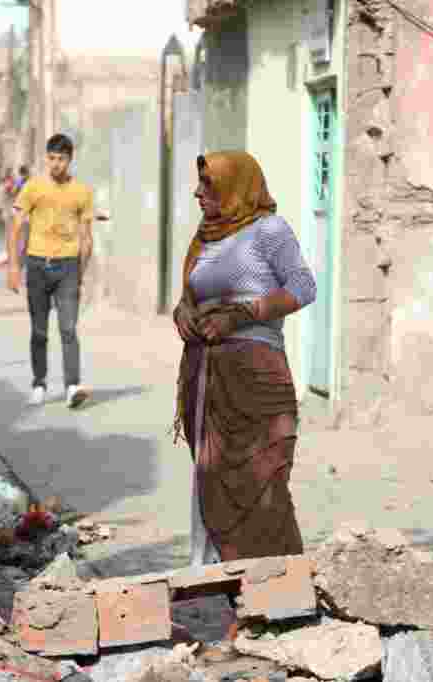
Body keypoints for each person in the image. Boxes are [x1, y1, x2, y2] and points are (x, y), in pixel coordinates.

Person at [171, 151, 316, 565]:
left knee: (263, 486)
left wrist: (242, 315)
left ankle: (276, 587)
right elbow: (189, 298)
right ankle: (221, 585)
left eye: (208, 184)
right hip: (207, 382)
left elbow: (304, 287)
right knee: (213, 482)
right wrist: (182, 314)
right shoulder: (205, 237)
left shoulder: (269, 230)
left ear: (235, 187)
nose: (198, 193)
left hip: (254, 381)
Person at [13, 134, 93, 408]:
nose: (56, 164)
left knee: (68, 329)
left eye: (62, 159)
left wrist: (81, 272)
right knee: (39, 331)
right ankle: (39, 383)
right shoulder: (33, 187)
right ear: (46, 158)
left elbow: (87, 237)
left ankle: (72, 386)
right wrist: (14, 266)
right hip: (37, 265)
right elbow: (17, 227)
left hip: (68, 267)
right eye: (52, 158)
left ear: (70, 159)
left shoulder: (81, 191)